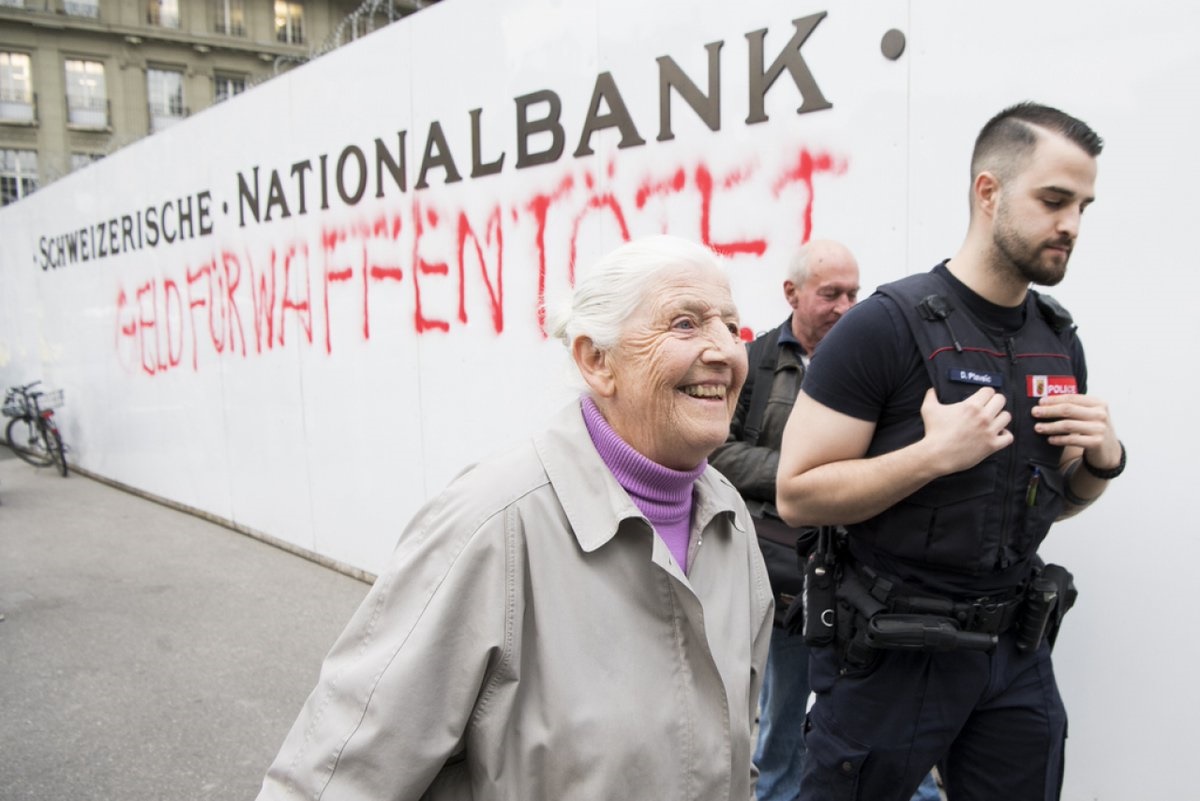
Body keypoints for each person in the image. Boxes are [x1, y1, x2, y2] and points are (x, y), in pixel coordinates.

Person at [255, 234, 774, 801]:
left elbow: (735, 752)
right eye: (685, 324)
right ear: (596, 360)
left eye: (731, 325)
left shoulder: (730, 521)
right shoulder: (492, 522)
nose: (724, 350)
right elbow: (337, 776)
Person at [776, 102, 1124, 801]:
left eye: (1084, 205)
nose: (1071, 225)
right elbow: (796, 492)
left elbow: (1050, 506)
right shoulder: (884, 326)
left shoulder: (1057, 340)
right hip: (895, 649)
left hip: (1014, 653)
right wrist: (933, 456)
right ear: (988, 192)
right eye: (1054, 200)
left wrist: (1101, 462)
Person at [711, 241, 939, 801]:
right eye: (829, 293)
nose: (844, 306)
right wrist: (803, 475)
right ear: (791, 294)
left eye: (853, 293)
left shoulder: (874, 360)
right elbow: (718, 450)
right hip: (789, 576)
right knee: (783, 713)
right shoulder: (757, 360)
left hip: (867, 575)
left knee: (885, 715)